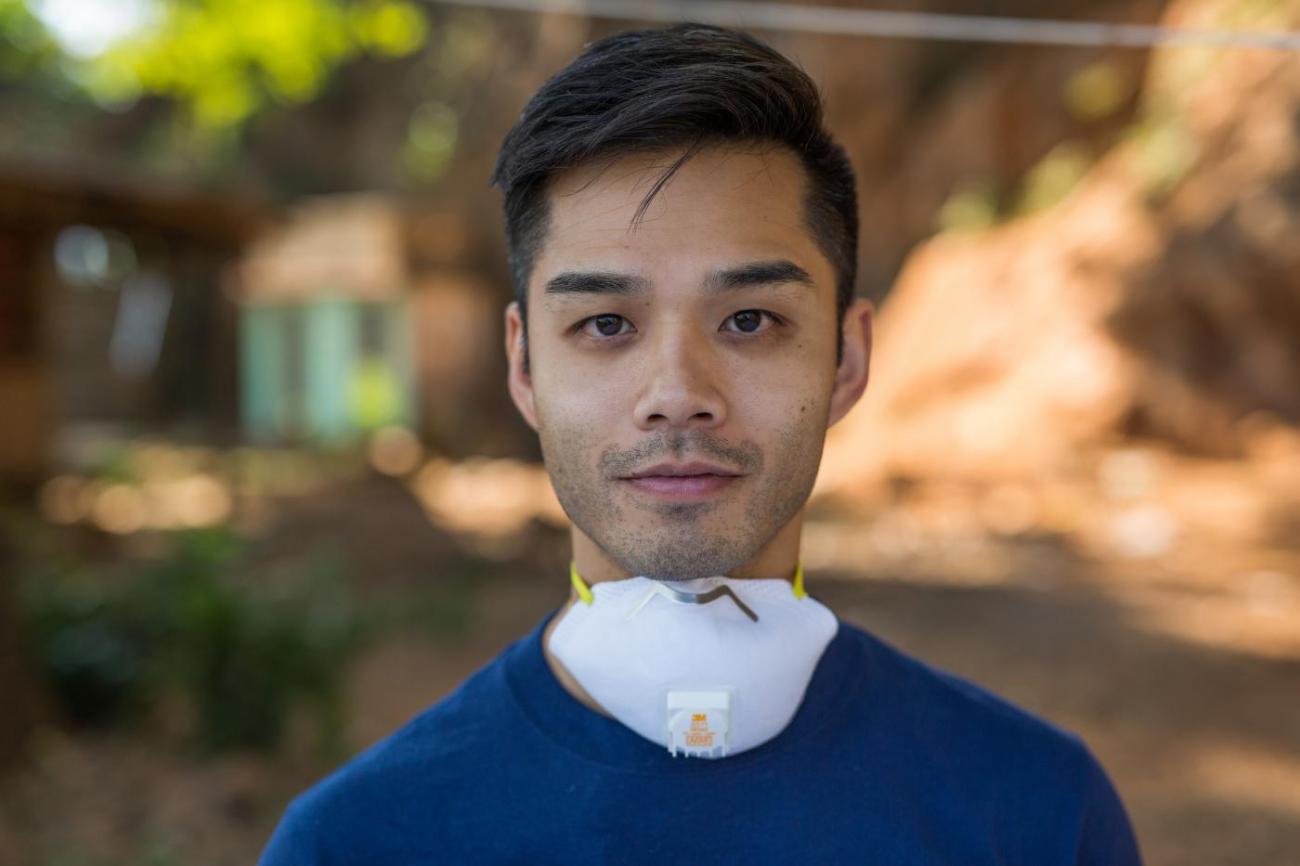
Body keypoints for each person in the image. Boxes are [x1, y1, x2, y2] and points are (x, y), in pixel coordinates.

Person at [260, 22, 1141, 865]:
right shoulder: (357, 844)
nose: (678, 394)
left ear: (847, 356)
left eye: (750, 319)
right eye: (606, 323)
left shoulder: (1036, 814)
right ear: (523, 366)